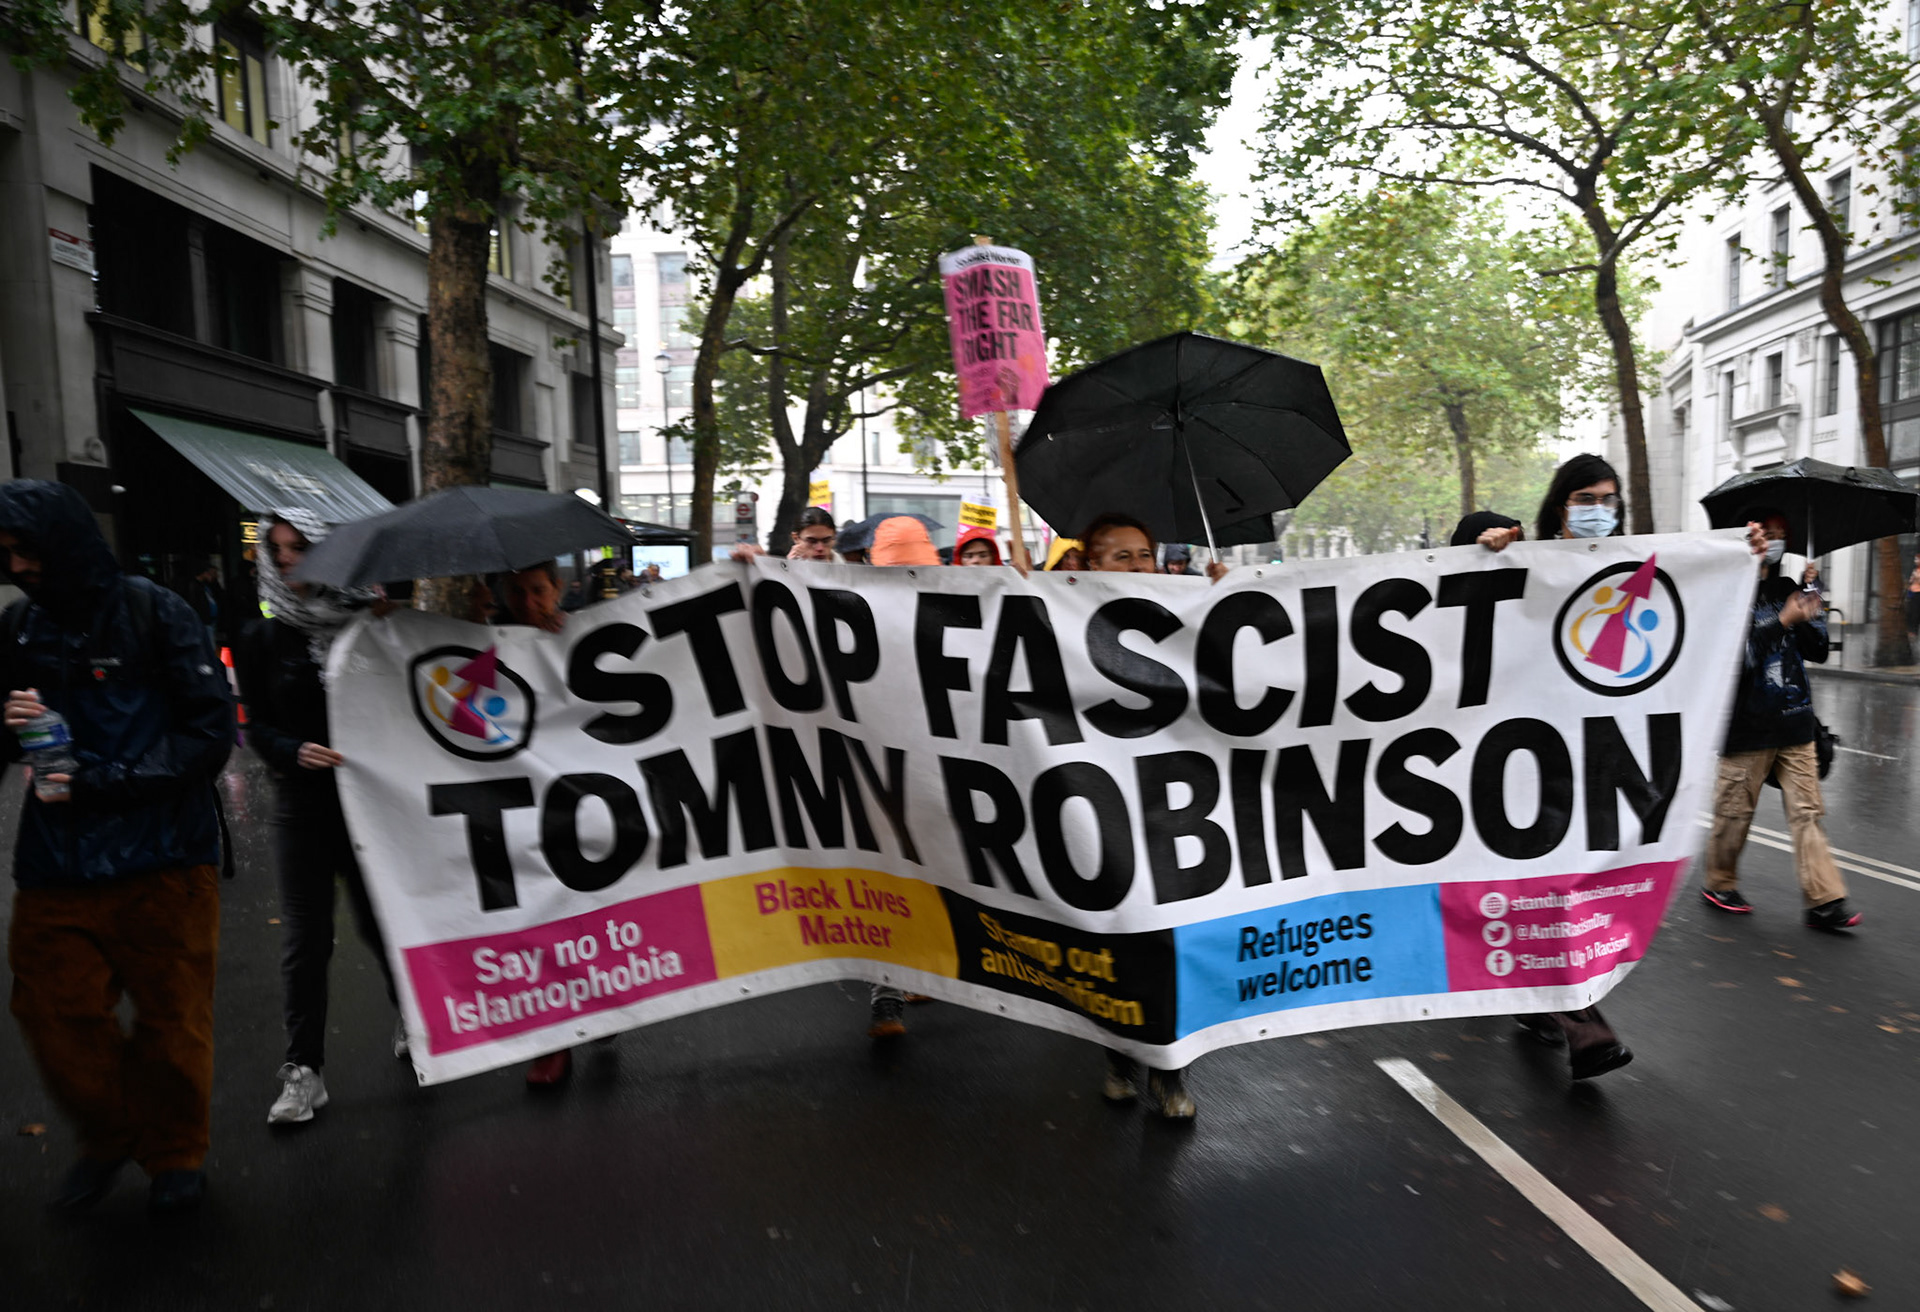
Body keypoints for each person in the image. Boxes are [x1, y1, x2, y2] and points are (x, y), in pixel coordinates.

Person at [0, 480, 233, 1215]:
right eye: (4, 553)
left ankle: (173, 1155)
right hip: (54, 865)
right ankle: (111, 1132)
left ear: (60, 543)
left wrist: (106, 782)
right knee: (52, 1015)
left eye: (24, 549)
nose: (16, 565)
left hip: (163, 861)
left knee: (172, 1021)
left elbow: (208, 733)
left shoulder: (154, 611)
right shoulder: (17, 631)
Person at [1449, 511, 1633, 1079]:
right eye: (1503, 544)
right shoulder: (1449, 619)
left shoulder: (1542, 610)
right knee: (1508, 900)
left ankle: (1554, 1011)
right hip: (1465, 790)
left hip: (1532, 787)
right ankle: (1578, 1022)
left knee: (1539, 898)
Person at [238, 510, 401, 1126]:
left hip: (371, 805)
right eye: (277, 551)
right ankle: (303, 1070)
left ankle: (412, 1018)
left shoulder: (371, 624)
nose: (286, 561)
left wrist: (394, 630)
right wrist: (292, 751)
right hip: (301, 805)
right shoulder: (261, 637)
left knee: (381, 921)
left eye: (300, 548)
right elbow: (255, 725)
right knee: (306, 940)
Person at [1077, 513, 1200, 1119]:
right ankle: (1119, 1057)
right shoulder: (1059, 613)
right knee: (1118, 936)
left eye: (1144, 555)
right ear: (1091, 564)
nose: (1137, 567)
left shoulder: (1187, 611)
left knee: (1169, 936)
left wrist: (1230, 596)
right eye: (1121, 557)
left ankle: (1169, 1071)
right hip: (1101, 805)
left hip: (1172, 806)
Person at [1702, 510, 1858, 930]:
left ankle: (1824, 900)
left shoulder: (1788, 586)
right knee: (1734, 813)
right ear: (1746, 535)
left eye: (1780, 534)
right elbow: (1736, 656)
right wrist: (1783, 619)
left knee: (1808, 811)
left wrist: (1813, 594)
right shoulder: (1726, 589)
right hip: (1746, 723)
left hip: (1794, 719)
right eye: (1766, 532)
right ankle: (1719, 880)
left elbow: (1819, 648)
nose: (1773, 540)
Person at [493, 561, 603, 1081]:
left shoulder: (583, 636)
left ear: (558, 589)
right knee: (536, 915)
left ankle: (602, 1004)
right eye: (517, 592)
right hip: (520, 804)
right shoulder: (485, 639)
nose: (528, 602)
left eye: (537, 590)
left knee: (586, 911)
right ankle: (553, 1038)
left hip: (581, 799)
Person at [1534, 453, 1624, 542]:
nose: (1598, 508)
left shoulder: (1631, 555)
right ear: (1560, 507)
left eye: (1608, 500)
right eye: (1586, 499)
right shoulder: (1536, 555)